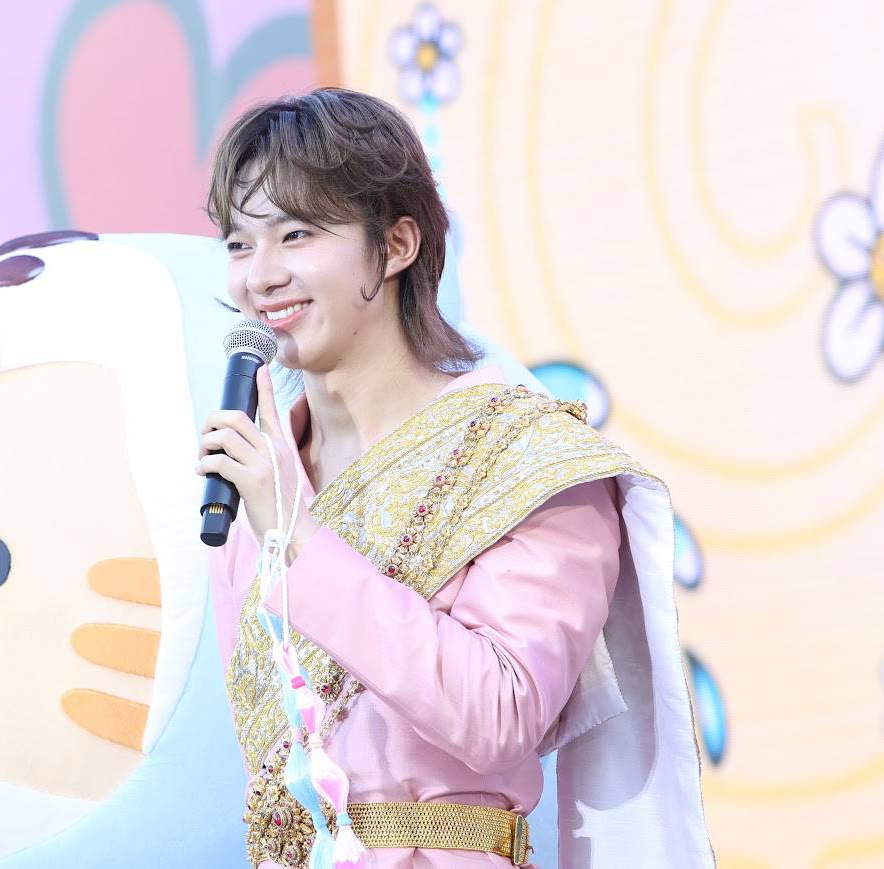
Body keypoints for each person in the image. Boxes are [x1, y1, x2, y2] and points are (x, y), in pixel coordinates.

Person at [195, 88, 713, 868]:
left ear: (397, 244)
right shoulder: (255, 480)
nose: (260, 276)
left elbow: (498, 714)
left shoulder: (525, 457)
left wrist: (299, 539)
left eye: (295, 234)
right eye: (239, 243)